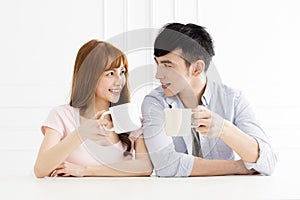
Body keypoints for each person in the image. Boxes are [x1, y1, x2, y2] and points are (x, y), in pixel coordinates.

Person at [141, 23, 277, 177]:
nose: (158, 75)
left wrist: (223, 129)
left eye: (168, 66)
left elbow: (268, 162)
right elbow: (167, 166)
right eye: (157, 64)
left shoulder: (233, 100)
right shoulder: (155, 103)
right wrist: (238, 167)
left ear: (197, 69)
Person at [34, 40, 153, 178]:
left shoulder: (128, 118)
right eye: (110, 74)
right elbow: (40, 169)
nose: (119, 81)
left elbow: (145, 167)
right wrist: (81, 133)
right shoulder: (62, 115)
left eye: (122, 72)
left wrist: (85, 170)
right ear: (89, 76)